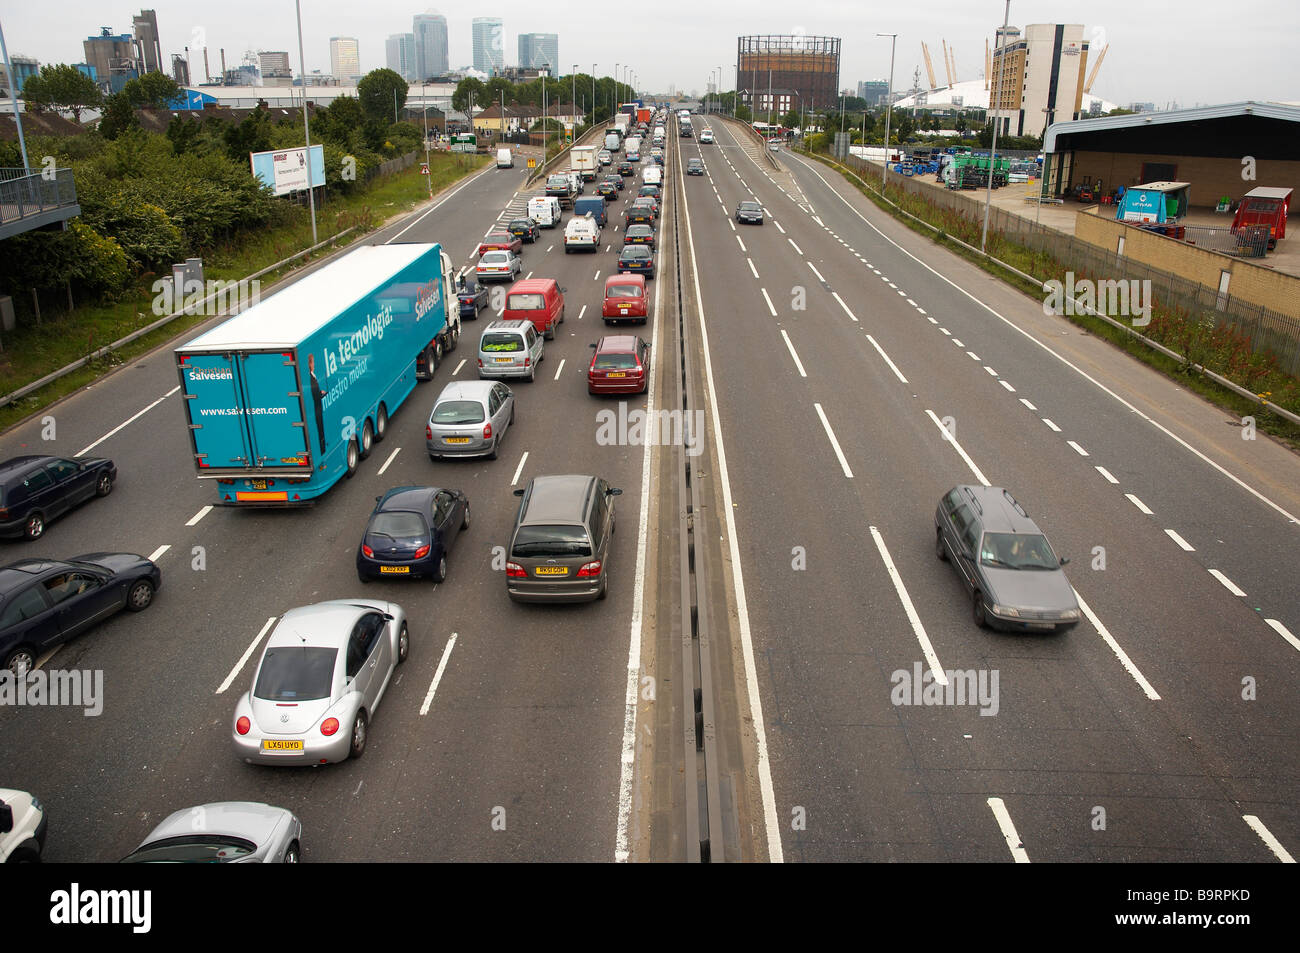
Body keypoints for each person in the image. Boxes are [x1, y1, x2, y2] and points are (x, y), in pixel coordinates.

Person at [307, 353, 327, 457]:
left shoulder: (312, 377)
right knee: (320, 430)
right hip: (317, 409)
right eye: (313, 362)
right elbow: (315, 394)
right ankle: (323, 450)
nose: (314, 364)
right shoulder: (311, 378)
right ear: (310, 364)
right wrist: (321, 394)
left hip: (318, 408)